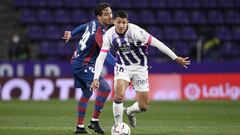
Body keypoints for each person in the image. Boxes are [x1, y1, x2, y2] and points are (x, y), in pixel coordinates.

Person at [91, 11, 191, 128]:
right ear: (114, 22)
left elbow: (157, 43)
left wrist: (175, 57)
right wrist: (96, 78)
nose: (121, 25)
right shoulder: (109, 35)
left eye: (124, 22)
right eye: (119, 22)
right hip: (123, 67)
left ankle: (129, 111)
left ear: (127, 22)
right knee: (118, 96)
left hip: (140, 69)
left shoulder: (136, 32)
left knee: (143, 106)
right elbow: (101, 56)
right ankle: (118, 126)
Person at [62, 3, 115, 134]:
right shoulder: (99, 32)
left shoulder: (93, 23)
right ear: (99, 17)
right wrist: (120, 66)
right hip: (83, 64)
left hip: (78, 61)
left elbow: (83, 26)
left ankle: (80, 127)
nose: (110, 16)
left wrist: (71, 33)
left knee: (87, 93)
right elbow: (105, 54)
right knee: (105, 89)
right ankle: (94, 121)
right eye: (106, 14)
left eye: (110, 13)